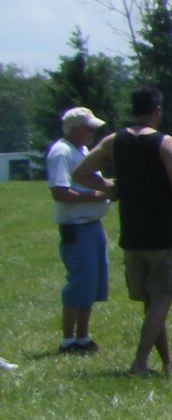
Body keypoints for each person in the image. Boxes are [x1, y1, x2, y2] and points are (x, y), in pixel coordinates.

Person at [73, 86, 172, 377]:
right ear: (157, 111)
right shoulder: (164, 143)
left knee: (151, 302)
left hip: (132, 233)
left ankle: (166, 362)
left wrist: (111, 187)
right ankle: (139, 362)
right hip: (163, 233)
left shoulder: (114, 141)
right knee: (163, 298)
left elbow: (80, 173)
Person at [47, 105, 113, 354]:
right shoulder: (61, 152)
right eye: (88, 128)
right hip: (76, 227)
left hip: (92, 226)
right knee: (79, 283)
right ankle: (67, 339)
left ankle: (82, 337)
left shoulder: (82, 150)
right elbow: (59, 192)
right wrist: (98, 196)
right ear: (74, 129)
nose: (93, 133)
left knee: (92, 283)